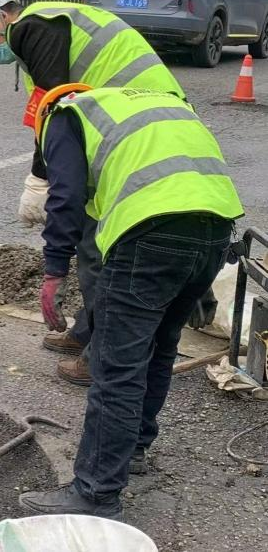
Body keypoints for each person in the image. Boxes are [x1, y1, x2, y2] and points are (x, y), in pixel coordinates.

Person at [0, 0, 216, 386]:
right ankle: (87, 333)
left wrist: (41, 178)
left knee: (97, 242)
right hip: (141, 113)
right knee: (95, 234)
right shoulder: (47, 23)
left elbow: (56, 108)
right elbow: (55, 116)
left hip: (139, 120)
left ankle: (100, 357)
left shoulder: (30, 28)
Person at [20, 84, 243, 518]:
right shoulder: (145, 105)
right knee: (159, 349)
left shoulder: (66, 116)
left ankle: (96, 493)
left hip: (152, 235)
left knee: (116, 367)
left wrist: (53, 271)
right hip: (216, 231)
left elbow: (65, 197)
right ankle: (134, 451)